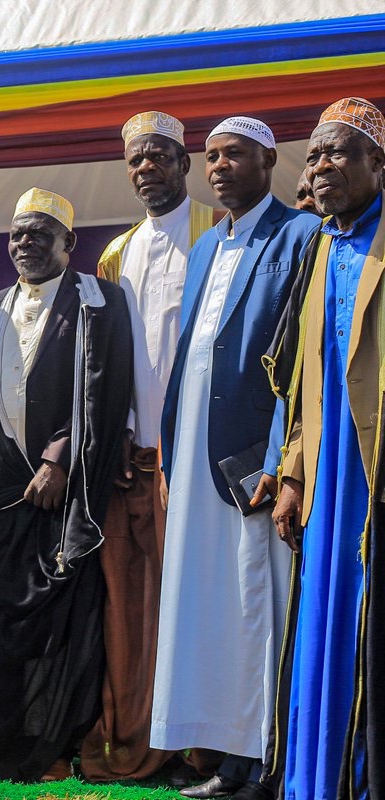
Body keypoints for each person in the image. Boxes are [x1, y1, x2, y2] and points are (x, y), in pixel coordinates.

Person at [151, 116, 319, 799]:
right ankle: (224, 753)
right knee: (212, 608)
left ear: (269, 159)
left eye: (236, 155)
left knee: (257, 604)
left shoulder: (299, 235)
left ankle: (263, 762)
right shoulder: (202, 249)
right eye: (212, 156)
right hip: (195, 458)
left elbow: (300, 359)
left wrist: (280, 461)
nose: (219, 166)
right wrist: (169, 454)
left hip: (252, 460)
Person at [0, 188, 133, 781]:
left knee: (63, 625)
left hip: (64, 490)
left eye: (38, 234)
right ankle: (1, 745)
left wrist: (59, 461)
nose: (25, 244)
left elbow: (103, 392)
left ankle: (56, 746)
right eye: (17, 234)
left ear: (68, 244)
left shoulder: (100, 303)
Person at [84, 111, 217, 782]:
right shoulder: (116, 253)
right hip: (127, 463)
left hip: (194, 461)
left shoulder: (217, 235)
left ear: (185, 163)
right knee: (129, 605)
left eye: (160, 156)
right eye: (136, 159)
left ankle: (201, 747)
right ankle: (138, 738)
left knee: (191, 601)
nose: (147, 168)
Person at [265, 97, 385, 800]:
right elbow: (304, 382)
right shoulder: (319, 246)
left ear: (378, 163)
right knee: (321, 627)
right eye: (313, 155)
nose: (320, 167)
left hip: (372, 476)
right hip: (327, 484)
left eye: (338, 152)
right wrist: (291, 475)